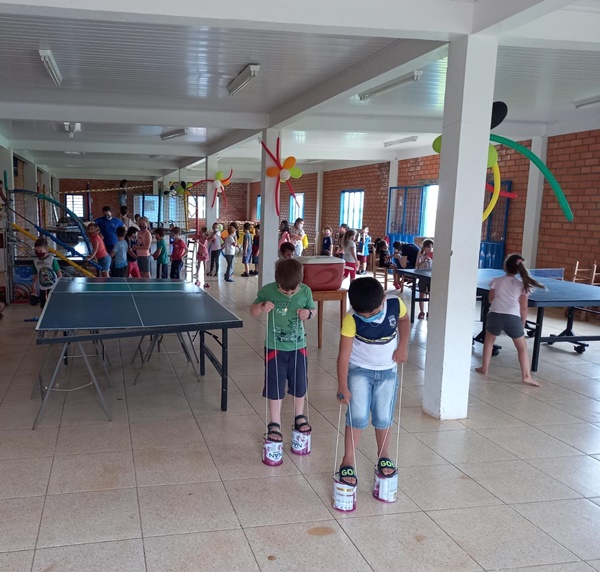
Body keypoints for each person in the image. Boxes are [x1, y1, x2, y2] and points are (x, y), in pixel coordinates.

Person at [336, 277, 410, 486]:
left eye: (373, 313)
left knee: (384, 416)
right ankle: (348, 459)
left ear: (383, 299)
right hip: (359, 371)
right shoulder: (351, 318)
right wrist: (342, 385)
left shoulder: (395, 304)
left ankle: (383, 455)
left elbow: (404, 321)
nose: (368, 317)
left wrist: (403, 346)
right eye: (364, 315)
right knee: (357, 417)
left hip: (387, 372)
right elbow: (343, 355)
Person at [250, 258, 316, 446]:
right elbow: (253, 311)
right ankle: (275, 422)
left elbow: (312, 310)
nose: (289, 293)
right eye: (284, 291)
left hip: (298, 348)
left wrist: (308, 314)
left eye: (292, 291)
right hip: (275, 349)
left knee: (300, 383)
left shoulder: (305, 291)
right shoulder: (268, 290)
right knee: (275, 385)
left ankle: (299, 415)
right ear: (277, 281)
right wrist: (261, 306)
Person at [476, 254, 544, 387]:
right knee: (521, 347)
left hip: (495, 314)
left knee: (489, 341)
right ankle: (526, 376)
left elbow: (490, 299)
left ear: (505, 266)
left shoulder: (496, 281)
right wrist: (522, 322)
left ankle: (484, 367)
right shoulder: (521, 285)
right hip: (512, 317)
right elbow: (524, 307)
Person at [32, 238, 62, 308]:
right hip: (42, 287)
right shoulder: (35, 261)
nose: (38, 252)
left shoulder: (52, 259)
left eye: (40, 251)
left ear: (46, 250)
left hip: (53, 286)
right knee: (43, 305)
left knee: (53, 305)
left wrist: (60, 285)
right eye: (36, 251)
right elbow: (36, 274)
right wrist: (33, 284)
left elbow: (59, 273)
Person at [415, 239, 434, 320]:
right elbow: (417, 265)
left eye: (431, 247)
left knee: (431, 294)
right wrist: (424, 260)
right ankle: (422, 312)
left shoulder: (433, 255)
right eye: (428, 247)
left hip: (431, 276)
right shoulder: (420, 254)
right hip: (422, 275)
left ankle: (430, 311)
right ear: (424, 247)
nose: (430, 248)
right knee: (422, 294)